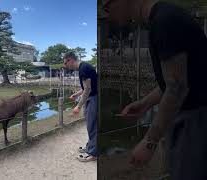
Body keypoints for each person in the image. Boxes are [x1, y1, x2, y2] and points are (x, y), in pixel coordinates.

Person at [103, 0, 207, 179]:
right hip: (189, 116)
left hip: (195, 118)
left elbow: (177, 87)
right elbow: (174, 81)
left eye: (106, 7)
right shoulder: (164, 17)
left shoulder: (165, 22)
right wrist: (144, 104)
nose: (107, 15)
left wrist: (149, 141)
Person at [63, 51, 98, 162]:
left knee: (93, 125)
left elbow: (88, 89)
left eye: (65, 63)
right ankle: (90, 147)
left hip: (93, 99)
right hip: (92, 98)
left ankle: (93, 153)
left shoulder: (83, 69)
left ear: (70, 60)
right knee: (90, 125)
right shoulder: (84, 67)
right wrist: (76, 94)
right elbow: (85, 88)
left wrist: (78, 106)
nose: (65, 66)